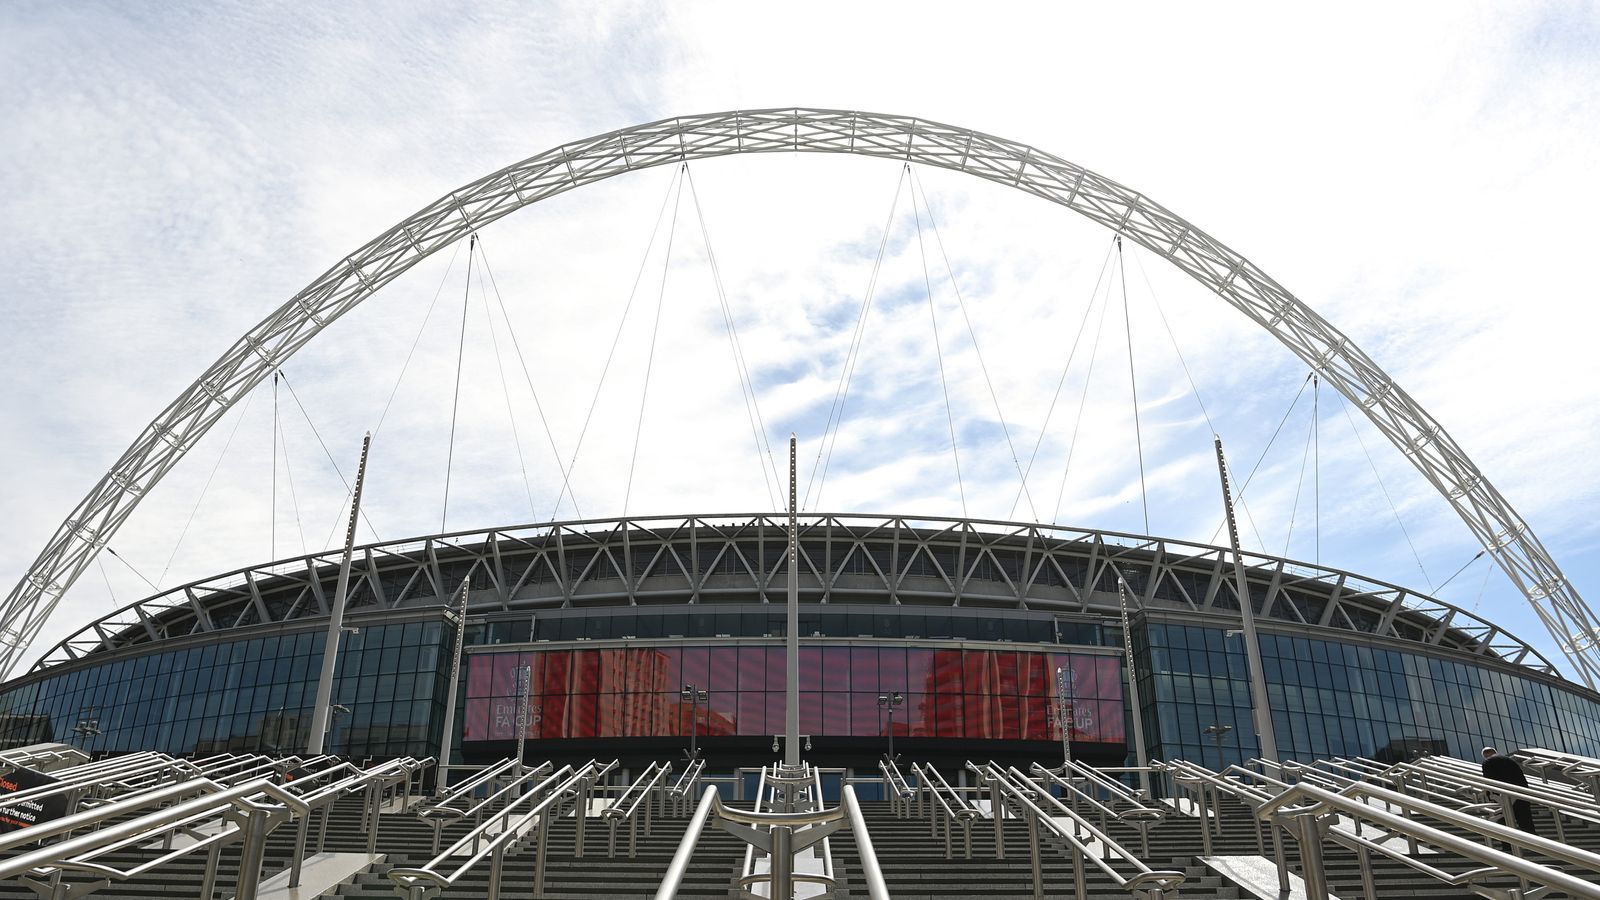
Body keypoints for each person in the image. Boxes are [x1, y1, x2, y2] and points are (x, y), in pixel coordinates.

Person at [1481, 747, 1537, 835]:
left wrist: (1489, 795)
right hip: (1520, 793)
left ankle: (1508, 846)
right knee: (1526, 822)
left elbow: (1489, 781)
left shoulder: (1488, 762)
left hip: (1502, 796)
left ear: (1485, 756)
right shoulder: (1510, 760)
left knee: (1503, 822)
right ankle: (1536, 844)